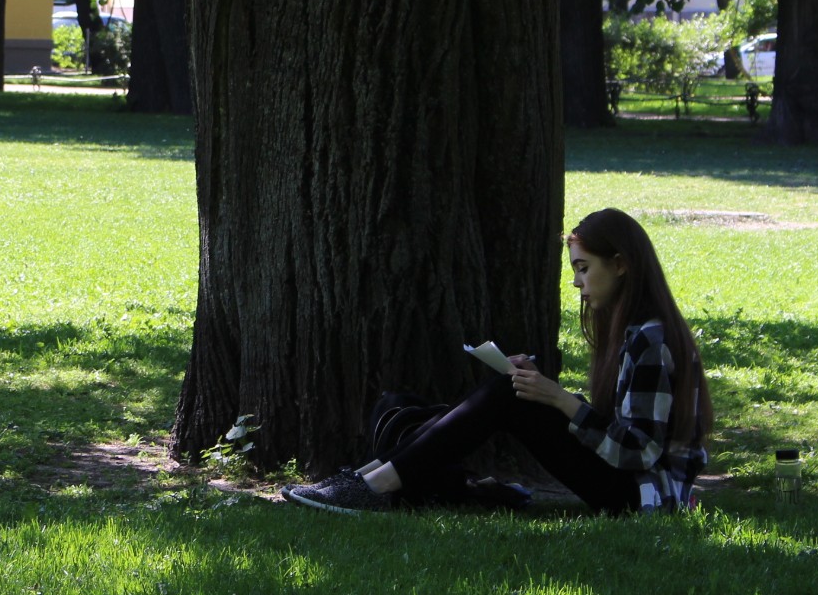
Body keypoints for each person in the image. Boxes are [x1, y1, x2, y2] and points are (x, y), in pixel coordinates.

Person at [283, 208, 712, 515]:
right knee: (476, 395)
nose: (578, 283)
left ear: (620, 265)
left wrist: (561, 400)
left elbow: (639, 451)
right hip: (629, 484)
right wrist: (548, 392)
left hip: (645, 495)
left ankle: (375, 484)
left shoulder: (652, 339)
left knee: (511, 394)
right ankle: (374, 477)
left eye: (583, 268)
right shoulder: (635, 332)